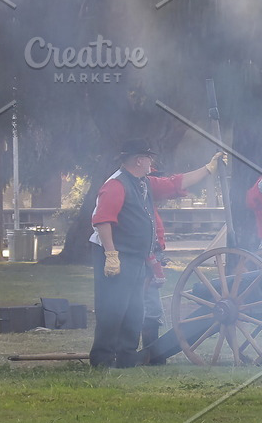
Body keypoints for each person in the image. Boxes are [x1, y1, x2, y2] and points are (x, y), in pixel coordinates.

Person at [139, 150, 225, 363]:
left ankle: (150, 354)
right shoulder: (144, 189)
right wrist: (207, 169)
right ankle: (147, 355)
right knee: (148, 307)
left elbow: (175, 185)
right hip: (142, 258)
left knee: (150, 308)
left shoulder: (146, 195)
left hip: (149, 256)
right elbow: (175, 183)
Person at [89, 138, 162, 368]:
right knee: (113, 307)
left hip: (135, 255)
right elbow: (102, 220)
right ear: (139, 159)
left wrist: (207, 170)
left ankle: (126, 354)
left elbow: (173, 183)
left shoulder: (140, 182)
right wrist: (111, 255)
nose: (152, 162)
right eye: (149, 157)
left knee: (134, 308)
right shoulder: (116, 184)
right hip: (116, 254)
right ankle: (102, 358)